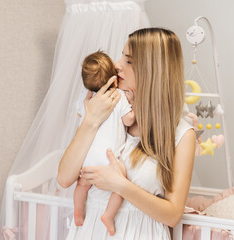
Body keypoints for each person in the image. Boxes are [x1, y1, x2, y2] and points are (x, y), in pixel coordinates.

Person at [57, 28, 196, 239]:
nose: (117, 64)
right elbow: (65, 178)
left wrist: (120, 185)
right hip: (91, 231)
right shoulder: (109, 111)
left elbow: (173, 215)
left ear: (153, 70)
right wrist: (90, 121)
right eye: (122, 56)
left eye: (128, 60)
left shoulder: (181, 134)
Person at [73, 51, 135, 236]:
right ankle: (108, 215)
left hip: (88, 159)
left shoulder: (87, 101)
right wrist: (134, 105)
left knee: (82, 186)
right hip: (108, 160)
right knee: (122, 185)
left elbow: (80, 115)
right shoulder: (118, 97)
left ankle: (77, 211)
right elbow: (129, 121)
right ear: (113, 79)